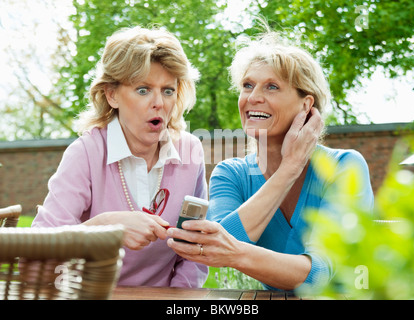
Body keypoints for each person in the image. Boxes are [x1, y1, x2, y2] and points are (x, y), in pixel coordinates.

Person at [167, 31, 374, 291]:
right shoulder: (231, 174)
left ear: (305, 105)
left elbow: (319, 274)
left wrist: (234, 252)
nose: (253, 97)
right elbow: (213, 249)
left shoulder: (344, 167)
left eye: (272, 86)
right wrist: (288, 169)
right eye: (247, 85)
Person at [32, 26, 208, 288]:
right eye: (143, 90)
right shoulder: (86, 153)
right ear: (111, 94)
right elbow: (35, 256)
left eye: (168, 90)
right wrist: (105, 226)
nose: (159, 102)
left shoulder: (190, 151)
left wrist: (175, 299)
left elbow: (194, 253)